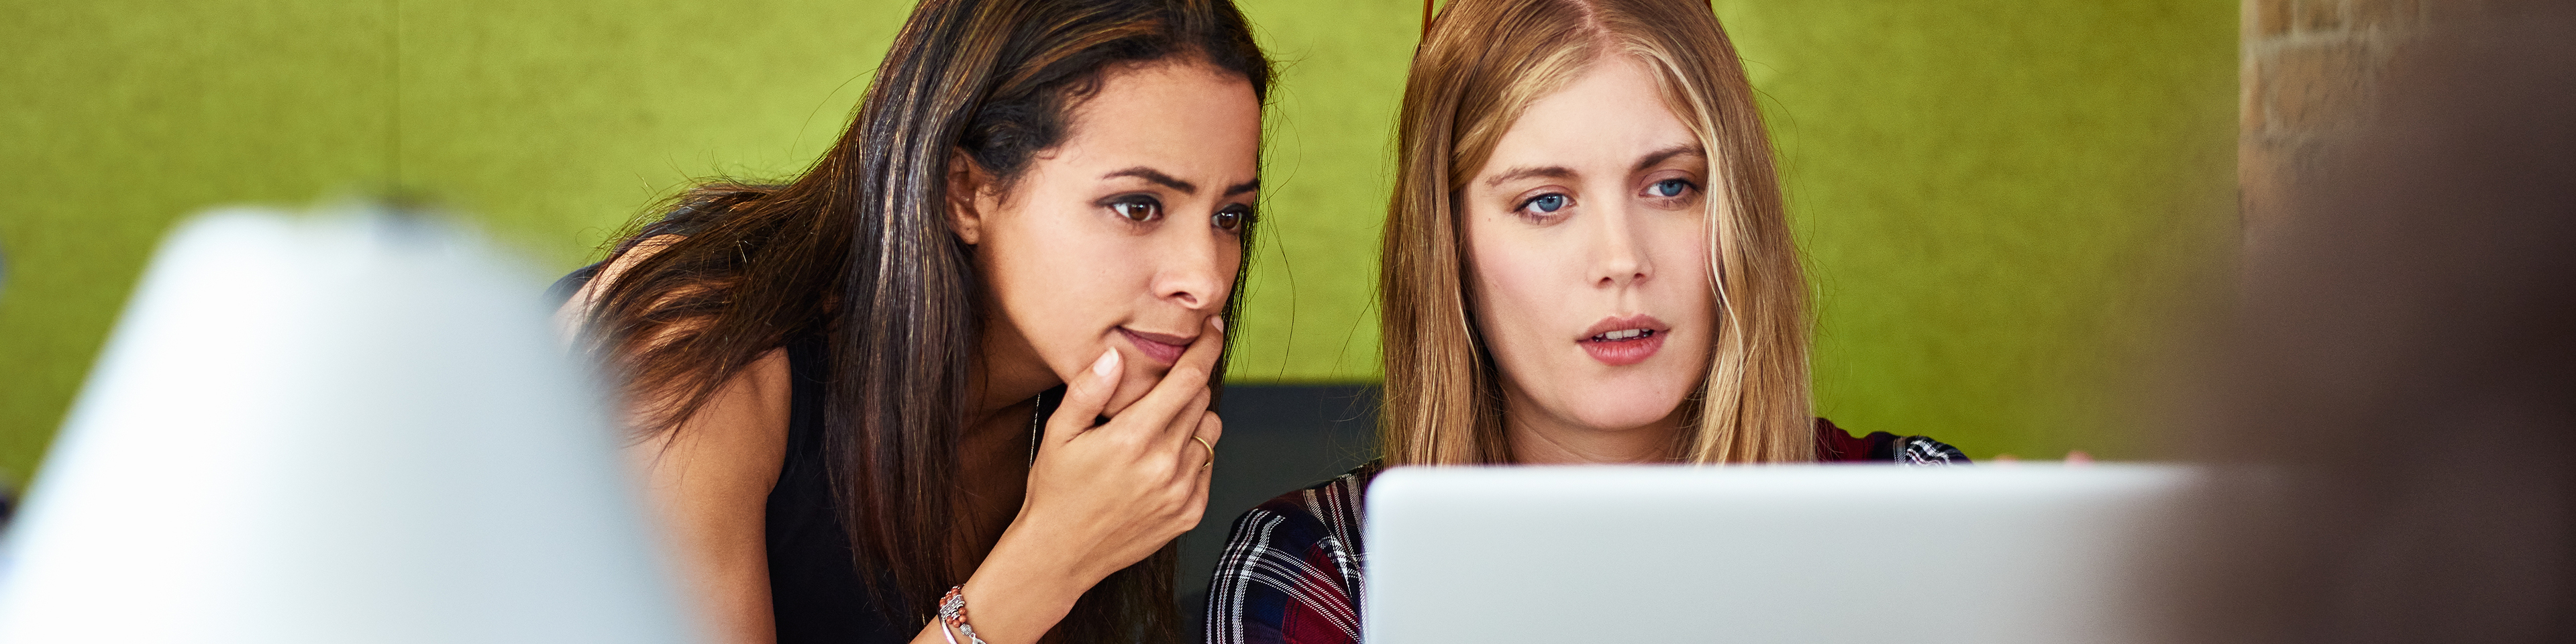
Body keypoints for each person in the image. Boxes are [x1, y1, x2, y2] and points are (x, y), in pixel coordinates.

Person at [1204, 1, 1963, 643]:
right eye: (1545, 201)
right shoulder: (1318, 571)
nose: (1620, 258)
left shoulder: (1933, 517)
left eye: (1670, 187)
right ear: (1448, 251)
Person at [552, 1, 1272, 643]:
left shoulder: (1083, 427)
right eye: (1137, 206)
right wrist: (1042, 567)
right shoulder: (692, 347)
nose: (1204, 279)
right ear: (964, 190)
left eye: (1228, 216)